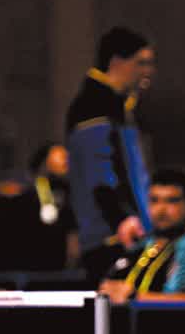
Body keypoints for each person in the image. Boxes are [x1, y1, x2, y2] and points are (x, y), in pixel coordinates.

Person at [66, 26, 156, 285]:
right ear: (117, 62)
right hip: (112, 238)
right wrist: (122, 219)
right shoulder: (93, 106)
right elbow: (99, 174)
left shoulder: (117, 105)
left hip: (125, 233)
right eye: (141, 62)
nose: (148, 71)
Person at [99, 168, 185, 303]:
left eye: (172, 201)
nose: (161, 209)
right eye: (154, 200)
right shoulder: (142, 246)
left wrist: (133, 297)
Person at [0, 143, 78, 271]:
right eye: (60, 157)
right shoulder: (22, 185)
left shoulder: (64, 189)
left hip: (54, 259)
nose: (66, 161)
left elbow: (70, 226)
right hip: (22, 259)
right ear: (44, 160)